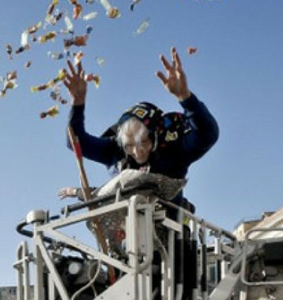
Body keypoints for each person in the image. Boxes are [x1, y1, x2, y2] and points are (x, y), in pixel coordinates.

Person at [62, 48, 219, 204]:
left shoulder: (173, 149)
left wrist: (185, 97)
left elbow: (208, 134)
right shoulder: (115, 151)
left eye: (143, 142)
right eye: (129, 145)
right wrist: (78, 102)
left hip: (168, 222)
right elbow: (74, 141)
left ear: (155, 135)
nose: (137, 152)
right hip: (127, 223)